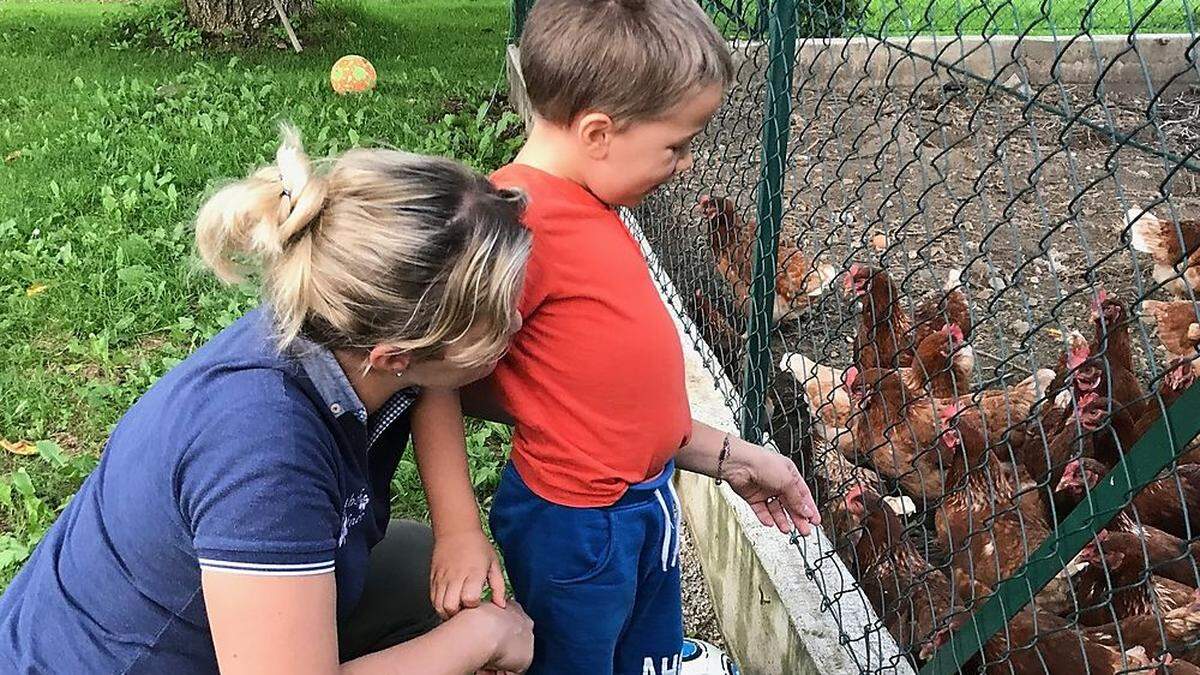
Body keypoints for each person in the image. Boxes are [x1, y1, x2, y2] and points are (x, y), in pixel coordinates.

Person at [0, 128, 535, 675]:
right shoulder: (265, 459)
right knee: (446, 618)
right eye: (500, 320)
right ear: (396, 354)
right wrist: (483, 637)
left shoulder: (336, 324)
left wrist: (460, 529)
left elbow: (432, 383)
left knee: (414, 561)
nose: (517, 324)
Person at [418, 1, 825, 673]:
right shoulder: (517, 231)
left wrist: (736, 457)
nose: (687, 164)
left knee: (643, 649)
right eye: (676, 145)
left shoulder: (594, 202)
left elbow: (608, 395)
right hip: (574, 524)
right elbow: (434, 376)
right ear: (599, 133)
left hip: (643, 498)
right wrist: (459, 529)